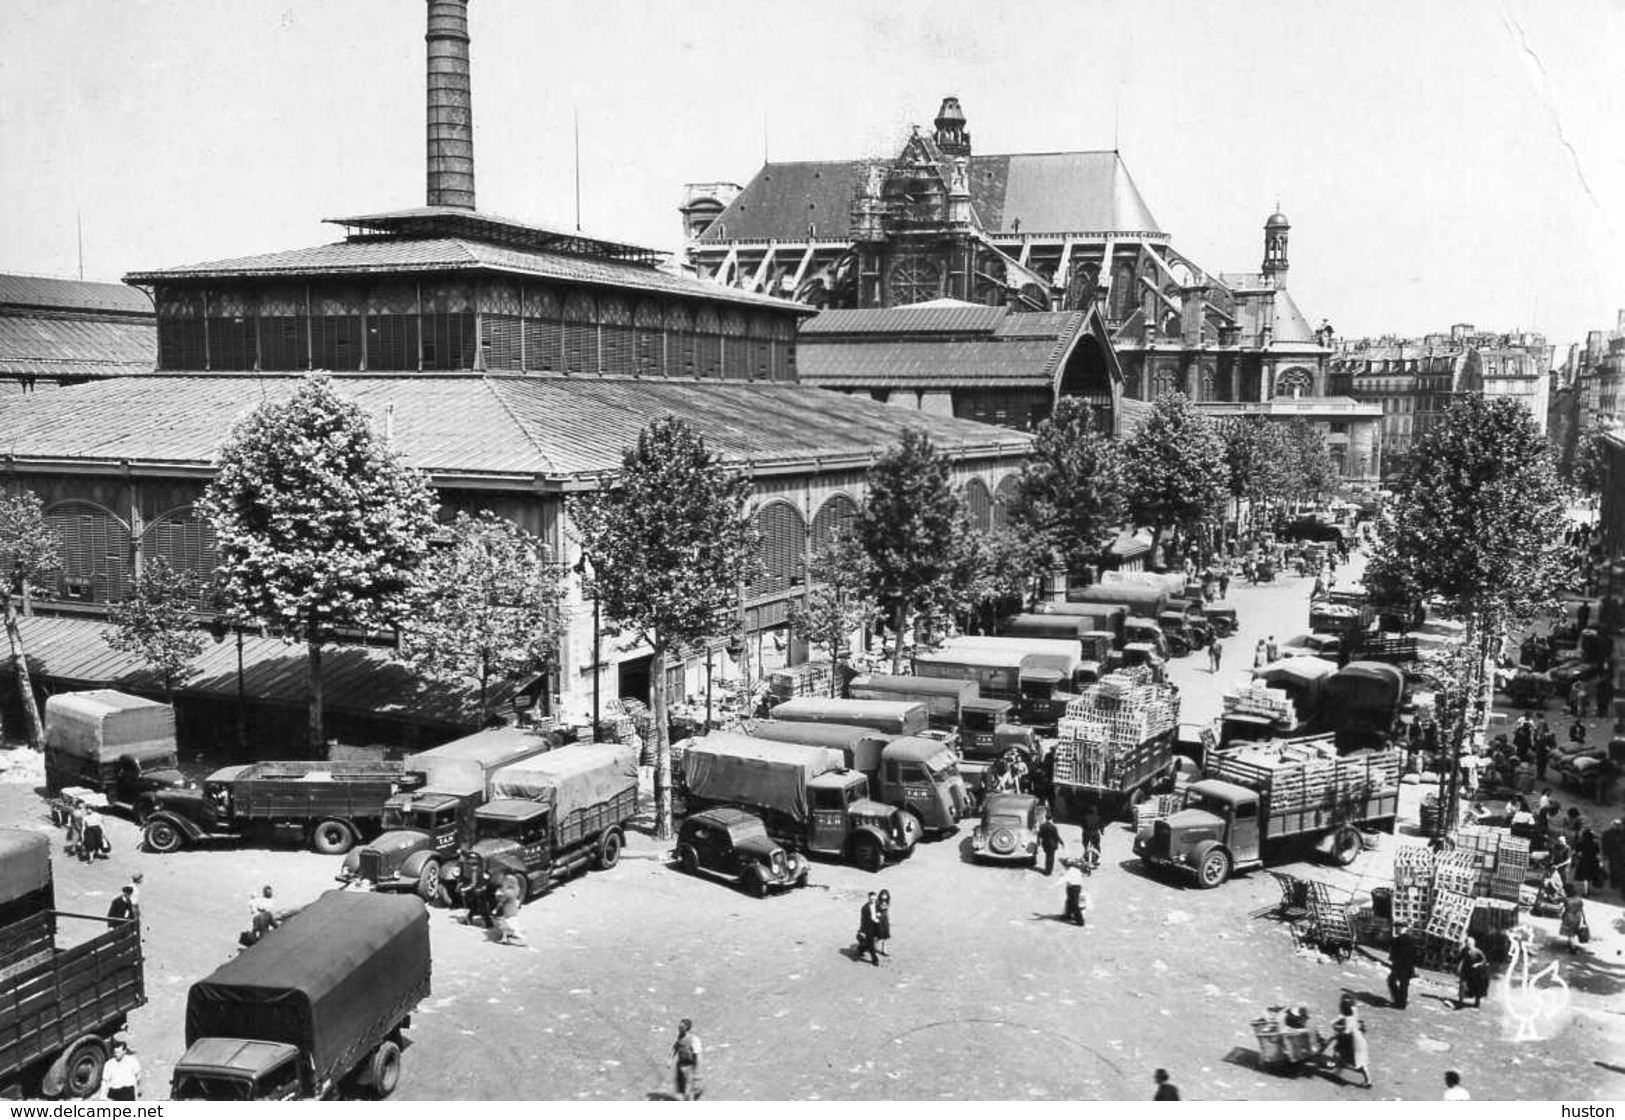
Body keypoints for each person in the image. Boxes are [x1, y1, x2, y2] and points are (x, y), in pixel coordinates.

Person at [1324, 995, 1370, 1089]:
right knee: (1362, 1063)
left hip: (1352, 1043)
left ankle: (1333, 1064)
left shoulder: (1347, 1020)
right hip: (1360, 1040)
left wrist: (1336, 1033)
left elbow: (1346, 1032)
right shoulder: (1354, 1011)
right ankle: (1368, 1081)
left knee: (1338, 1050)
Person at [1387, 923, 1418, 1009]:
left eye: (1397, 928)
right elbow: (1414, 954)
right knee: (1403, 985)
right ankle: (1401, 1002)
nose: (1396, 930)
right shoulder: (1409, 939)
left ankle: (1400, 1003)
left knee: (1393, 982)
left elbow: (1396, 953)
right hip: (1407, 967)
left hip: (1401, 966)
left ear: (1400, 929)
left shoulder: (1401, 939)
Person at [671, 1018, 702, 1100]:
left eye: (681, 1026)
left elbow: (697, 1055)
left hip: (689, 1066)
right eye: (679, 1026)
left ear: (687, 1028)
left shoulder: (693, 1039)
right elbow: (676, 1047)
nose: (679, 1027)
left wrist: (696, 1070)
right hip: (681, 1065)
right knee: (681, 1087)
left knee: (688, 1087)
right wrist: (670, 1059)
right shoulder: (680, 1036)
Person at [1456, 937, 1490, 1009]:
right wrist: (1458, 967)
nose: (1468, 945)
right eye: (1467, 943)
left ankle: (1477, 1003)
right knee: (1462, 985)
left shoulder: (1477, 951)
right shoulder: (1464, 950)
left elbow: (1484, 961)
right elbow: (1460, 958)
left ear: (1473, 944)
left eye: (1469, 944)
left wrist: (1477, 964)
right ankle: (1460, 1002)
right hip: (1465, 970)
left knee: (1476, 988)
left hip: (1476, 972)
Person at [494, 878, 525, 946]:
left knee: (512, 927)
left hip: (508, 912)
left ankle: (522, 940)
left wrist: (498, 895)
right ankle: (504, 939)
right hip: (513, 911)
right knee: (505, 926)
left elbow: (501, 902)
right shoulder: (515, 891)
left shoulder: (507, 893)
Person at [1558, 884, 1588, 953]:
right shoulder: (1579, 899)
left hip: (1569, 917)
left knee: (1570, 934)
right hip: (1577, 917)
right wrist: (1583, 919)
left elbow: (1564, 908)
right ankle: (1569, 945)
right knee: (1573, 933)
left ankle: (1573, 948)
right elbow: (1581, 909)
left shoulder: (1567, 900)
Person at [1600, 818, 1625, 900]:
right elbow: (1604, 843)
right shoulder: (1611, 833)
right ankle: (1615, 883)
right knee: (1614, 868)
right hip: (1614, 853)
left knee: (1615, 868)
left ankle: (1615, 884)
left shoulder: (1612, 833)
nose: (1618, 826)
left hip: (1616, 854)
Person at [856, 892, 880, 965]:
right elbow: (863, 919)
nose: (873, 899)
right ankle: (875, 959)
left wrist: (879, 915)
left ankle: (861, 948)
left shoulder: (877, 905)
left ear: (876, 897)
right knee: (871, 943)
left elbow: (882, 912)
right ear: (868, 898)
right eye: (871, 898)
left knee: (874, 940)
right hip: (869, 927)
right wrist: (862, 930)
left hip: (877, 926)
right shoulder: (865, 908)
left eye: (874, 897)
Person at [1062, 859, 1088, 926]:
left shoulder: (1073, 870)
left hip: (1074, 888)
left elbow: (1063, 879)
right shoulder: (1072, 869)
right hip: (1072, 887)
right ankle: (1067, 915)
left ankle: (1080, 921)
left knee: (1074, 904)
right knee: (1069, 901)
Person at [874, 890, 892, 957]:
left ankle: (884, 949)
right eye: (883, 895)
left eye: (885, 895)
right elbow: (875, 910)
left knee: (885, 935)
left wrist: (889, 919)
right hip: (879, 920)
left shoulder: (888, 902)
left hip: (885, 919)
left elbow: (887, 911)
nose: (884, 896)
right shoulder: (877, 902)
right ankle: (873, 946)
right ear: (880, 895)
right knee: (878, 935)